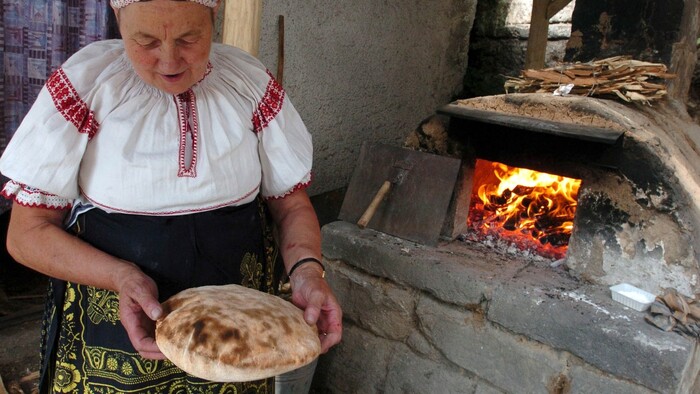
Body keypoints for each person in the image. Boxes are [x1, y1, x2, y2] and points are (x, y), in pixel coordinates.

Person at [0, 0, 343, 392]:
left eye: (188, 38)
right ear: (118, 22)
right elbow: (26, 234)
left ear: (213, 19)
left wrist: (307, 273)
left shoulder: (249, 84)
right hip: (117, 336)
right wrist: (121, 276)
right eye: (145, 40)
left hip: (238, 336)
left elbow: (291, 207)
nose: (168, 60)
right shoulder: (86, 85)